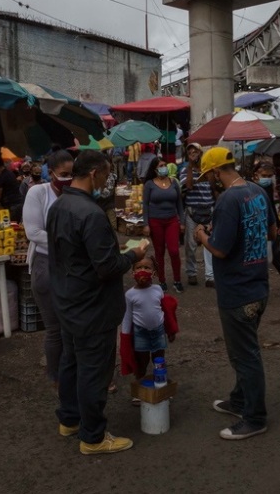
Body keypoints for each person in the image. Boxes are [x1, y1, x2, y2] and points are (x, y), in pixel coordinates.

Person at [47, 150, 146, 455]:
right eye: (105, 175)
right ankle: (93, 436)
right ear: (93, 174)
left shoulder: (60, 205)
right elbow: (107, 267)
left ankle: (70, 419)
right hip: (92, 305)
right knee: (93, 369)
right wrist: (134, 254)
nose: (107, 181)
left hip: (67, 299)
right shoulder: (90, 214)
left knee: (71, 361)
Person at [193, 147, 276, 440]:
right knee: (244, 351)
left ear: (217, 171)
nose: (209, 181)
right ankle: (239, 400)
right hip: (258, 285)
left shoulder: (228, 200)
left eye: (209, 175)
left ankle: (254, 417)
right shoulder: (257, 191)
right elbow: (271, 233)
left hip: (238, 291)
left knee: (245, 356)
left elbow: (219, 248)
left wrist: (201, 235)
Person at [22, 151, 74, 390]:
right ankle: (55, 377)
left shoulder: (74, 195)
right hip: (46, 265)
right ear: (50, 172)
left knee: (71, 326)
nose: (68, 178)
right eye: (63, 174)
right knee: (55, 328)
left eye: (71, 173)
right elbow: (32, 232)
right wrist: (67, 242)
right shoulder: (38, 193)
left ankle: (70, 372)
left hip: (69, 266)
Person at [120, 256, 177, 385]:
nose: (143, 270)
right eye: (139, 267)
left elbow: (166, 311)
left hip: (158, 331)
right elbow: (127, 317)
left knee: (159, 359)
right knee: (141, 361)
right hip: (141, 333)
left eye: (147, 267)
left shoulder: (158, 290)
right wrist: (125, 338)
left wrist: (170, 330)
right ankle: (139, 388)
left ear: (154, 272)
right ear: (133, 272)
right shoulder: (130, 294)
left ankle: (161, 385)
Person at [143, 157, 185, 292]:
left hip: (172, 220)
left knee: (174, 251)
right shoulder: (149, 184)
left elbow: (179, 203)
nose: (164, 167)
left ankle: (177, 280)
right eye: (161, 165)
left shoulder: (174, 183)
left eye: (165, 165)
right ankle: (162, 281)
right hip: (155, 221)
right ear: (155, 169)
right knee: (159, 252)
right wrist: (146, 224)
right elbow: (145, 205)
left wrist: (182, 222)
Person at [179, 143, 215, 288]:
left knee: (209, 244)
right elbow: (188, 186)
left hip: (208, 210)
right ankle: (192, 273)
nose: (193, 153)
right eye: (190, 152)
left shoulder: (208, 169)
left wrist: (206, 171)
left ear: (200, 153)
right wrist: (190, 167)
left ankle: (210, 276)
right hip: (192, 211)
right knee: (191, 245)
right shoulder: (184, 170)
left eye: (196, 151)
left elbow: (213, 186)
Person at [0, 154, 25, 222]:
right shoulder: (10, 173)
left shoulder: (0, 177)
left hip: (12, 206)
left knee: (10, 225)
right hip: (19, 203)